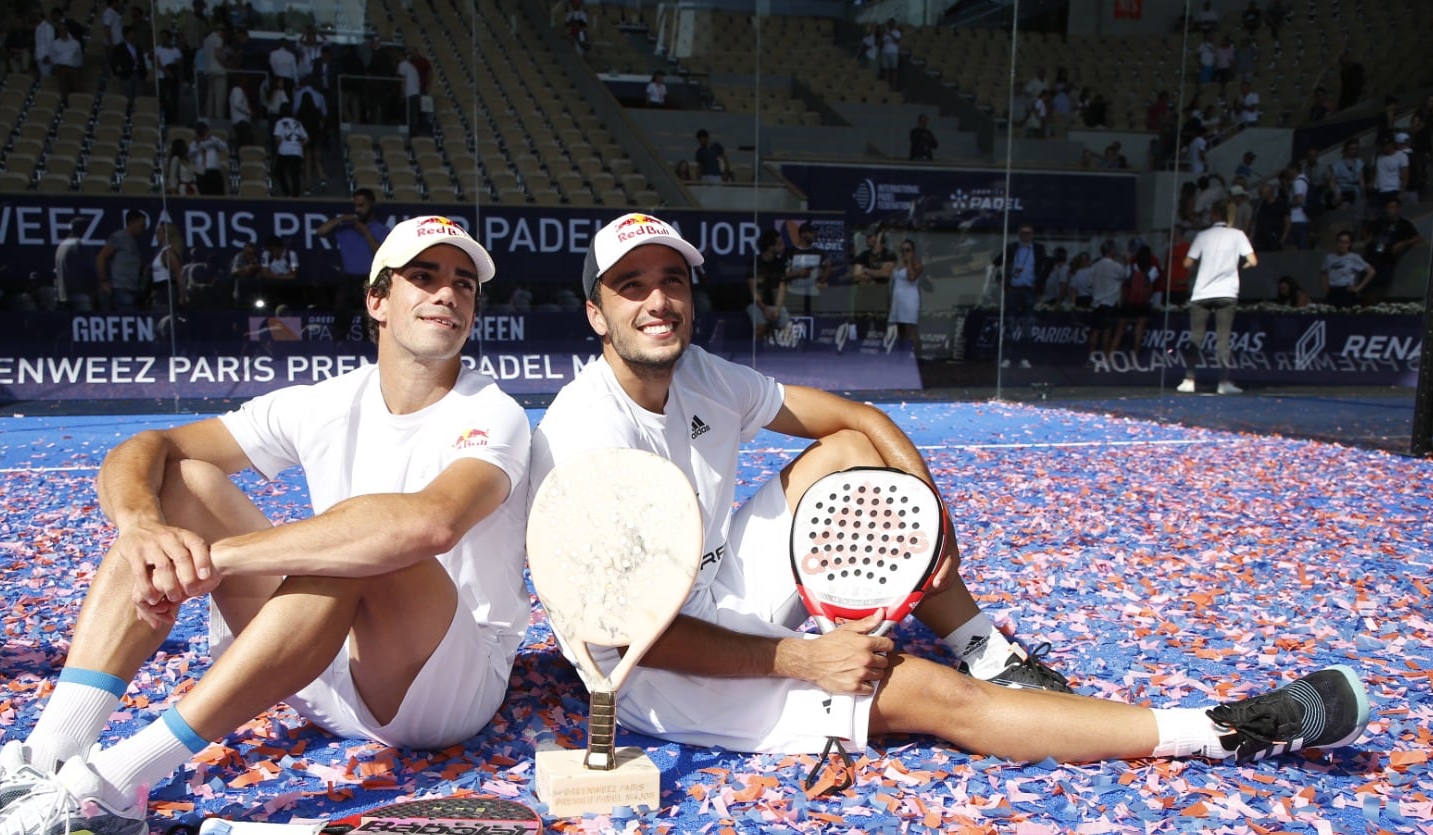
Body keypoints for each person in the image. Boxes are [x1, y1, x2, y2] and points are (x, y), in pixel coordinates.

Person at [526, 212, 1368, 782]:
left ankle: (982, 643)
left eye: (670, 279)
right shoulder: (583, 435)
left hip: (716, 588)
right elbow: (624, 634)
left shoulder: (702, 372)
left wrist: (930, 519)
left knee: (849, 452)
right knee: (928, 701)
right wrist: (804, 657)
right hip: (652, 668)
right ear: (597, 314)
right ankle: (1223, 729)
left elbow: (859, 417)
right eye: (630, 286)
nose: (657, 300)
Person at [0, 218, 532, 835]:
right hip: (314, 663)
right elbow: (146, 447)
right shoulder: (323, 402)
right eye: (424, 277)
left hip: (438, 690)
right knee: (181, 488)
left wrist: (212, 560)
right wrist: (142, 528)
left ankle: (114, 788)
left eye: (463, 284)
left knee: (365, 544)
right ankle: (49, 755)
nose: (447, 294)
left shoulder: (495, 412)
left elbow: (430, 524)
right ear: (377, 301)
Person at [1179, 200, 1256, 394]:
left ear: (1213, 215)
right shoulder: (1238, 235)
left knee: (1196, 337)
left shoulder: (1202, 236)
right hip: (1227, 292)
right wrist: (1239, 267)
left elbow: (1187, 263)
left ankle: (1189, 380)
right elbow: (1253, 261)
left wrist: (1203, 263)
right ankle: (1223, 382)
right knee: (1223, 339)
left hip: (1202, 292)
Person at [318, 187, 388, 315]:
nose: (357, 210)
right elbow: (321, 232)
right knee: (341, 320)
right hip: (348, 280)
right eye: (355, 206)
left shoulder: (382, 229)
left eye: (361, 205)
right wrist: (342, 219)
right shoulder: (347, 227)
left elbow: (382, 254)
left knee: (369, 321)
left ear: (371, 204)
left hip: (370, 279)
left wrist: (366, 232)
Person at [1361, 197, 1423, 300]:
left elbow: (1418, 238)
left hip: (1388, 259)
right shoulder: (1380, 222)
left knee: (1383, 282)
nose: (1390, 210)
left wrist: (1402, 243)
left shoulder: (1404, 224)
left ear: (1398, 209)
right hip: (1372, 257)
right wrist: (1366, 240)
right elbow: (1367, 229)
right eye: (1389, 207)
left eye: (1393, 207)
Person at [96, 209, 149, 310]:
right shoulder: (120, 237)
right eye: (142, 225)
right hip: (120, 289)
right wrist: (104, 281)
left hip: (131, 289)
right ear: (132, 223)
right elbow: (101, 257)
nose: (144, 229)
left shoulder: (133, 241)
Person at [747, 229, 788, 342]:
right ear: (770, 247)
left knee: (787, 328)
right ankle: (758, 354)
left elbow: (782, 288)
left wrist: (778, 309)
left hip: (775, 305)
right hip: (756, 304)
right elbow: (753, 290)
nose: (783, 247)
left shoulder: (780, 264)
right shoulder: (755, 263)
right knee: (761, 327)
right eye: (779, 244)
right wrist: (765, 309)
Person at [887, 238, 923, 358]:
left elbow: (911, 277)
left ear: (913, 251)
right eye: (903, 250)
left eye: (907, 250)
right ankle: (902, 354)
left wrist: (909, 262)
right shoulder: (898, 264)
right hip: (898, 298)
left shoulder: (917, 264)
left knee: (910, 327)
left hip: (910, 298)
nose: (904, 253)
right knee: (900, 327)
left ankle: (917, 356)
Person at [1319, 231, 1375, 307]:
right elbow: (1323, 272)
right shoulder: (1329, 258)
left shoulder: (1353, 257)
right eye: (1341, 242)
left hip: (1346, 291)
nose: (1343, 245)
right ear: (1336, 243)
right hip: (1333, 291)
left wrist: (1358, 288)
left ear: (1349, 244)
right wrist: (1326, 288)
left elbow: (1371, 272)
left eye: (1346, 242)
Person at [271, 104, 308, 197]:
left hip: (284, 151)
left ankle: (287, 192)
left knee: (280, 172)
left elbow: (278, 139)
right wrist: (299, 145)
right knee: (295, 174)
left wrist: (276, 151)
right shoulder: (297, 123)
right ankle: (296, 195)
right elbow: (306, 138)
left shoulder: (279, 123)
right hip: (297, 151)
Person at [149, 218, 186, 309]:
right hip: (159, 291)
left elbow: (178, 274)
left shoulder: (168, 253)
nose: (156, 234)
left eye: (159, 232)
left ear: (166, 234)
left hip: (166, 292)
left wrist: (182, 296)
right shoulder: (161, 251)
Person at [189, 122, 229, 196]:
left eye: (204, 131)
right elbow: (191, 153)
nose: (203, 134)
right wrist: (201, 143)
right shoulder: (194, 144)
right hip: (201, 174)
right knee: (203, 196)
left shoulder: (214, 141)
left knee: (218, 195)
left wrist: (212, 139)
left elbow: (224, 146)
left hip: (214, 172)